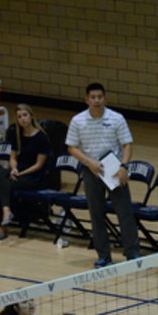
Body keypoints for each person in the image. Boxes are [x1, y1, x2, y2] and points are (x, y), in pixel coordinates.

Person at [66, 82, 141, 268]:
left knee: (125, 213)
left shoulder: (117, 118)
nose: (97, 100)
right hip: (91, 171)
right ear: (87, 99)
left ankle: (132, 253)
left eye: (100, 97)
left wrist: (123, 166)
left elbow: (127, 145)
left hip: (114, 171)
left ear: (104, 98)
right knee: (96, 214)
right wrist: (88, 162)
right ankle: (104, 256)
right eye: (93, 97)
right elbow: (72, 147)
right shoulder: (77, 120)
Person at [0, 104, 51, 241]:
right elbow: (13, 158)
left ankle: (2, 226)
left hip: (33, 176)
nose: (23, 119)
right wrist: (14, 169)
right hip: (18, 173)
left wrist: (21, 173)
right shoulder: (17, 135)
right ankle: (6, 211)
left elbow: (39, 165)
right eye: (19, 117)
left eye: (25, 115)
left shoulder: (42, 138)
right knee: (0, 173)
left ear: (31, 116)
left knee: (0, 187)